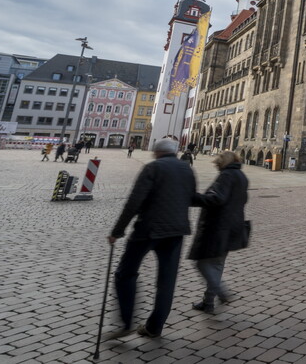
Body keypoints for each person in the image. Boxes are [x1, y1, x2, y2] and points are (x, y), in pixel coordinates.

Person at [105, 139, 196, 340]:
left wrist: (117, 231)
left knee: (125, 273)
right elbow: (191, 197)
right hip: (176, 231)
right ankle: (154, 327)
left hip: (148, 230)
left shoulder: (153, 168)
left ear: (157, 152)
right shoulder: (186, 168)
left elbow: (134, 202)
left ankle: (127, 321)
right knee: (167, 282)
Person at [188, 150, 248, 314]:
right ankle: (208, 302)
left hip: (219, 227)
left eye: (218, 161)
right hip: (234, 226)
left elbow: (217, 198)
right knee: (217, 265)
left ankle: (221, 292)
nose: (216, 163)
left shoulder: (227, 175)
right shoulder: (241, 176)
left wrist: (194, 198)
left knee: (202, 263)